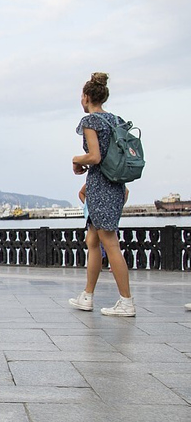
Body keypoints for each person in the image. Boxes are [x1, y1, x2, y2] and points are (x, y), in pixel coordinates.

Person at [69, 72, 135, 317]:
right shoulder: (115, 120)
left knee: (110, 243)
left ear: (86, 97)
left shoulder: (90, 122)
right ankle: (87, 296)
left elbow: (95, 156)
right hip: (116, 184)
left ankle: (126, 302)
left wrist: (76, 159)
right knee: (93, 241)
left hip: (101, 186)